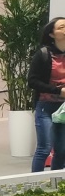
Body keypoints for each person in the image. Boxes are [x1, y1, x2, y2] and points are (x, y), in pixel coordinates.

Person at [27, 17, 65, 173]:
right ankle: (35, 183)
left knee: (62, 150)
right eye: (61, 27)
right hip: (46, 107)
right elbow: (32, 81)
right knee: (45, 148)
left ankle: (56, 182)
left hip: (63, 108)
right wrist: (58, 91)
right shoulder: (43, 54)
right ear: (52, 34)